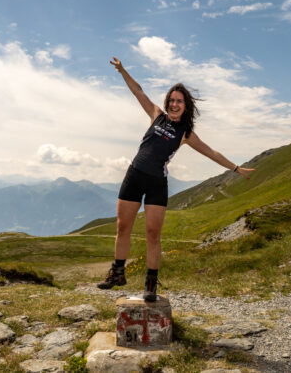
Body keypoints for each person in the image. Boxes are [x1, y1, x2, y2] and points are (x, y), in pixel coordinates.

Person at [97, 57, 255, 301]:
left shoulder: (186, 133)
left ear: (186, 105)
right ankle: (117, 273)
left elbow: (211, 152)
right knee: (123, 227)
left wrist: (236, 168)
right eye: (171, 100)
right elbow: (138, 91)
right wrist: (122, 71)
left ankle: (150, 284)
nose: (173, 104)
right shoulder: (156, 115)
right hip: (134, 175)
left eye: (178, 101)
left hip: (156, 184)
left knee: (153, 234)